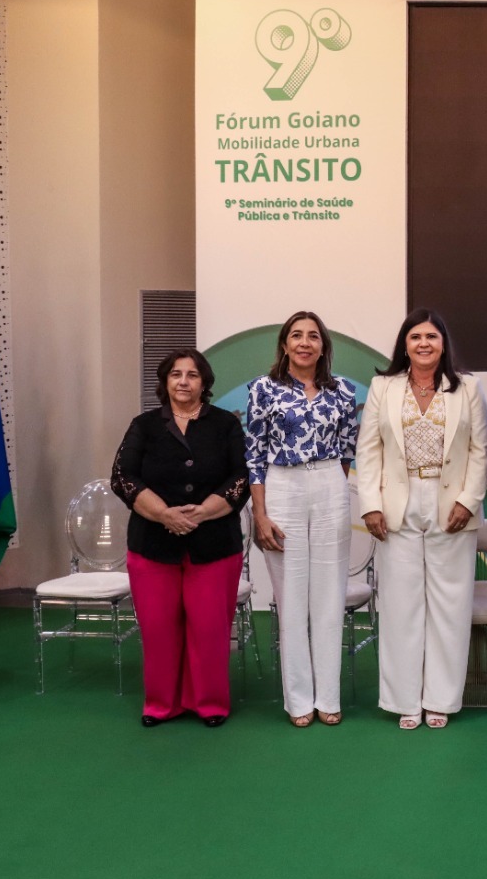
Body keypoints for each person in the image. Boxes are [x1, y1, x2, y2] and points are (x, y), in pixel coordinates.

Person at [355, 309, 487, 730]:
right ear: (405, 344)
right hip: (397, 503)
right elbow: (368, 449)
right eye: (416, 337)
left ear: (444, 343)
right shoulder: (384, 387)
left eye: (432, 336)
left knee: (450, 605)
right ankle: (404, 700)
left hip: (451, 505)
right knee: (400, 606)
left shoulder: (468, 387)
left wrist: (469, 501)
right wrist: (370, 504)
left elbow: (480, 450)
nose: (424, 343)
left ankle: (441, 700)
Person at [111, 349, 249, 728]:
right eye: (176, 374)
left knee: (209, 629)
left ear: (204, 383)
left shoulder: (226, 425)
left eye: (192, 375)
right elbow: (122, 477)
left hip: (215, 543)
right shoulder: (144, 425)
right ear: (165, 382)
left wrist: (203, 511)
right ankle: (161, 704)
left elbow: (241, 476)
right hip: (153, 545)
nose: (184, 381)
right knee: (158, 628)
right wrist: (164, 515)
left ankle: (209, 703)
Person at [246, 311, 358, 728]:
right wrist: (260, 512)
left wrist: (329, 487)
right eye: (297, 335)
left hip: (329, 480)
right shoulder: (263, 389)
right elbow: (254, 454)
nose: (305, 342)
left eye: (313, 336)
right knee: (291, 598)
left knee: (329, 596)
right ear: (284, 344)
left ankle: (328, 697)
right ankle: (298, 702)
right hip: (281, 486)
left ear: (323, 346)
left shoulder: (343, 391)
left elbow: (348, 451)